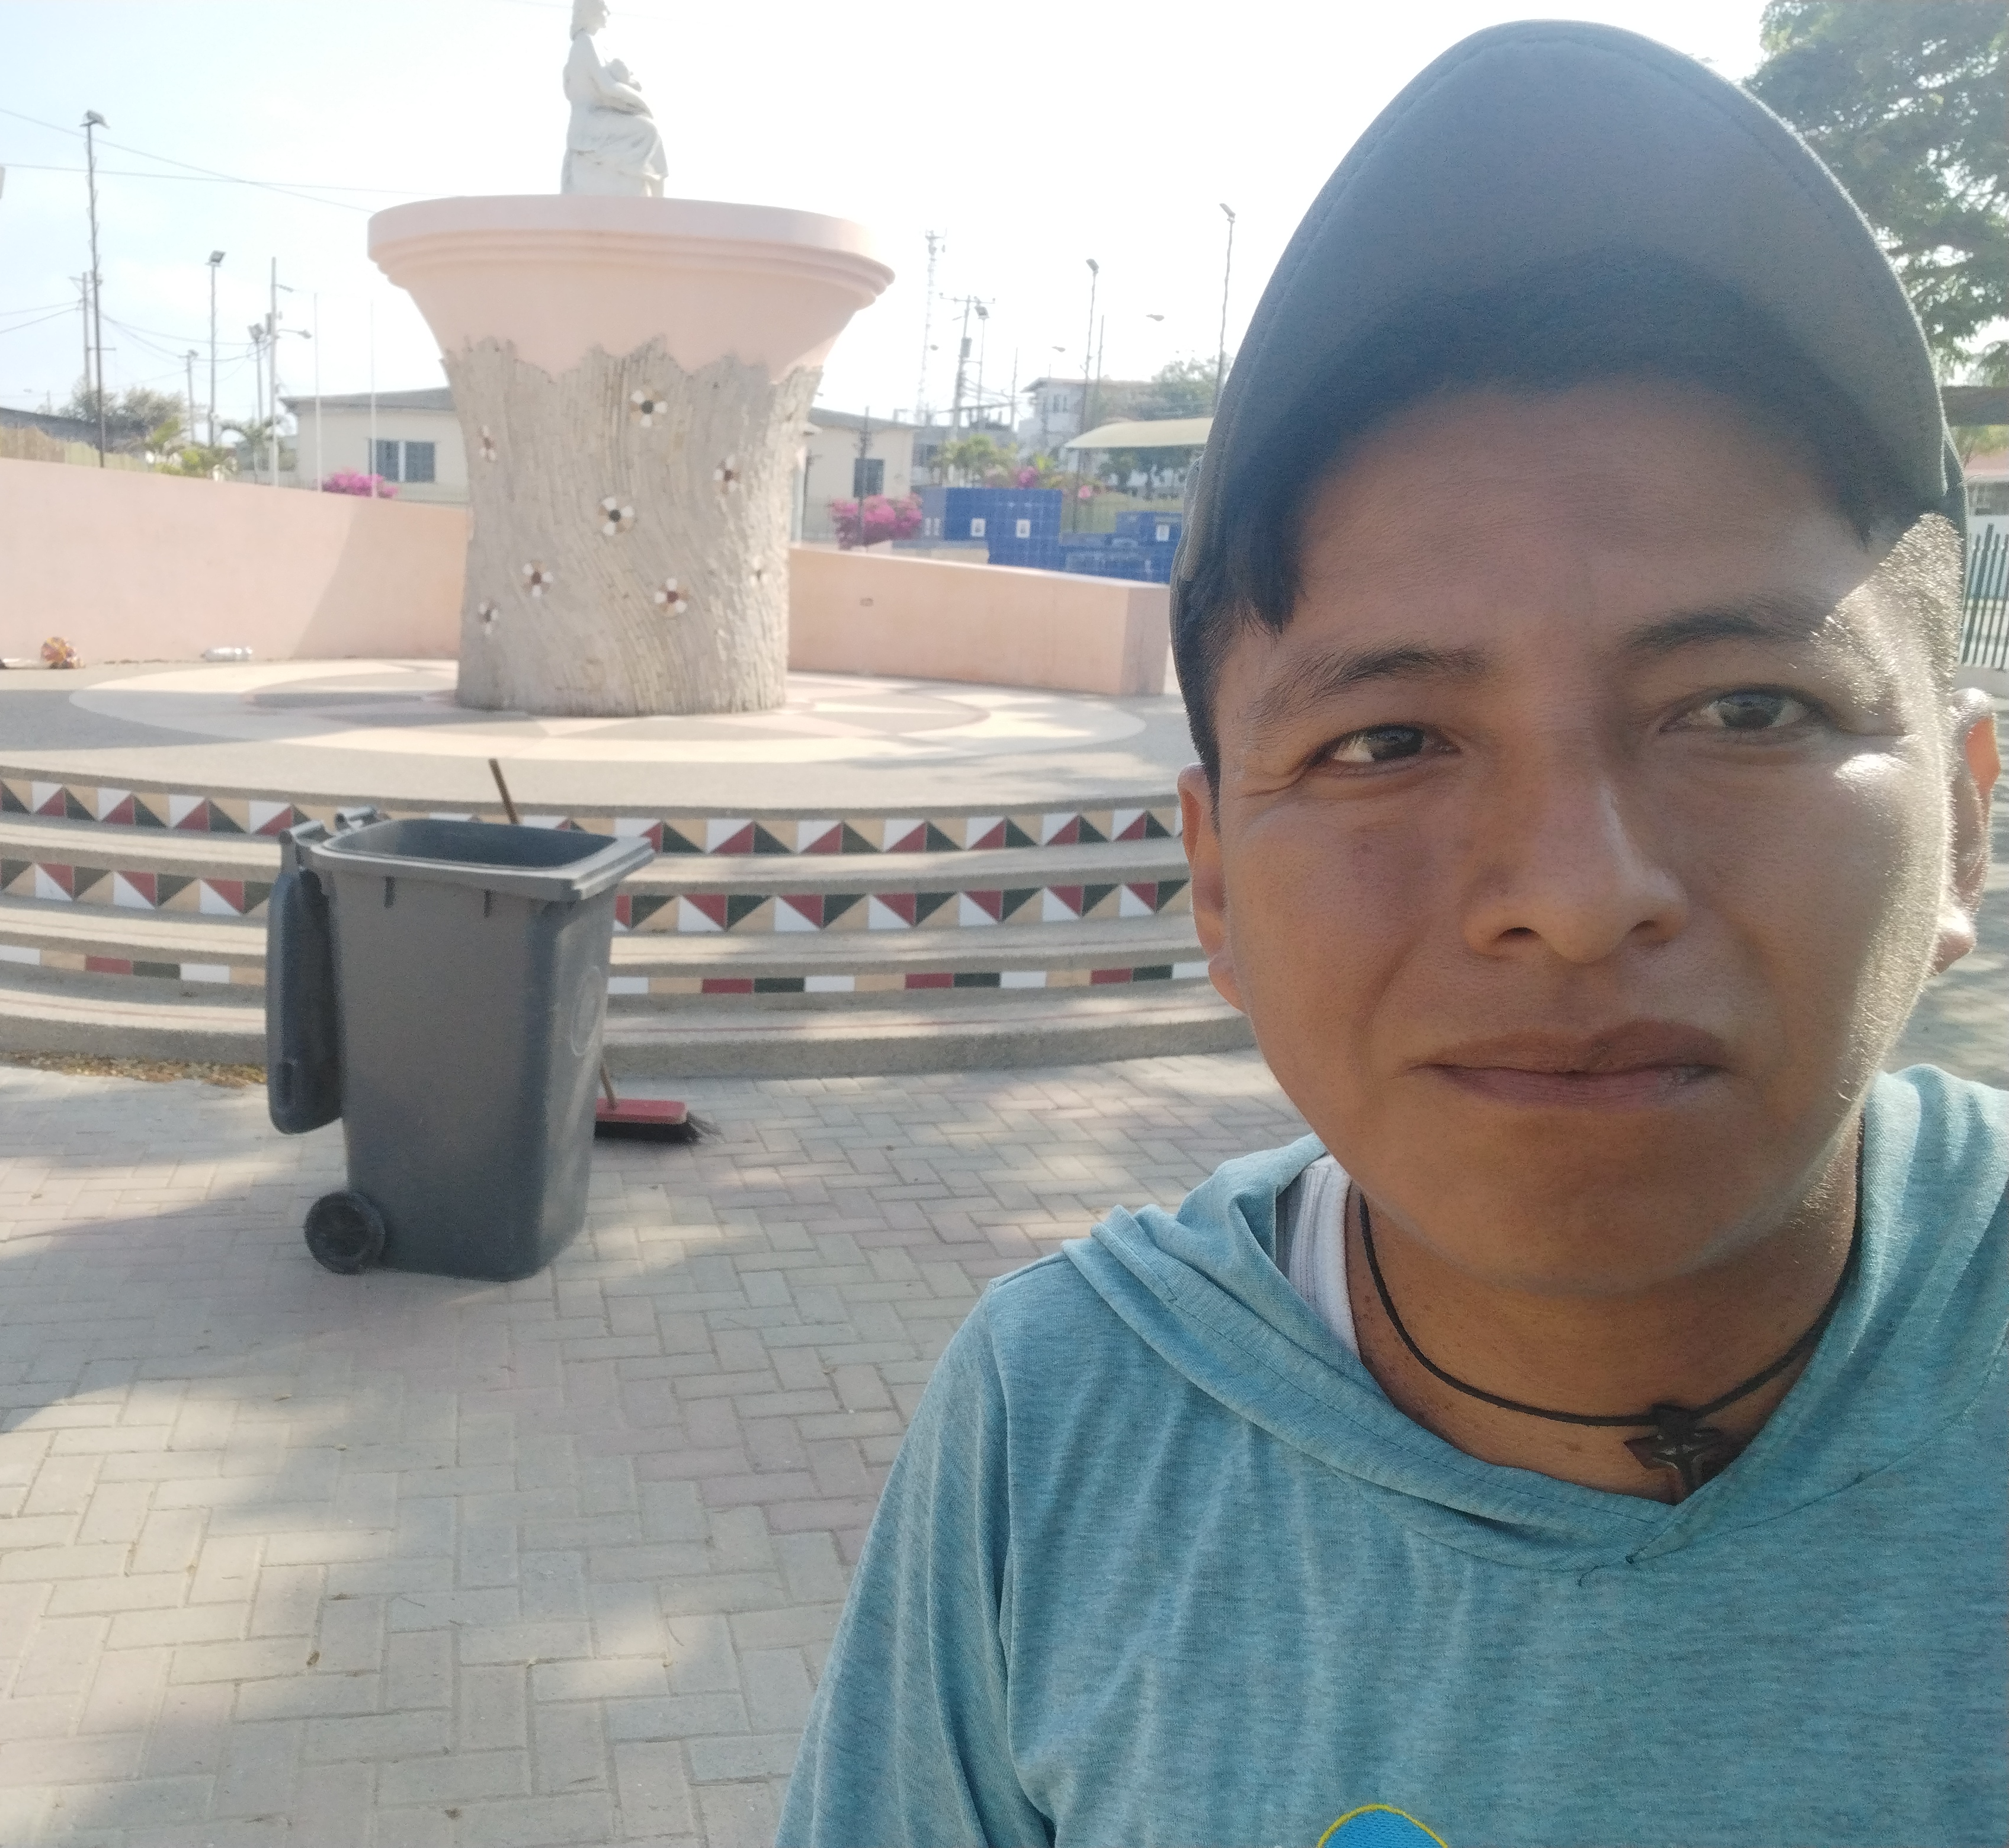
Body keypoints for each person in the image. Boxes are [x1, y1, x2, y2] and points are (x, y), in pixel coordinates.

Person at [778, 22, 2002, 1848]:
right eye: (1385, 742)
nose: (1573, 893)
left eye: (1745, 710)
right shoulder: (1060, 1423)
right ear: (1212, 885)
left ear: (1966, 818)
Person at [560, 0, 667, 198]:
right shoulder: (585, 42)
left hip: (598, 117)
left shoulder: (593, 44)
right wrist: (643, 104)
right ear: (590, 10)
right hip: (588, 123)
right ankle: (646, 190)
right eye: (603, 7)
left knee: (651, 132)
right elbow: (607, 87)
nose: (607, 12)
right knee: (647, 130)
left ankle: (655, 198)